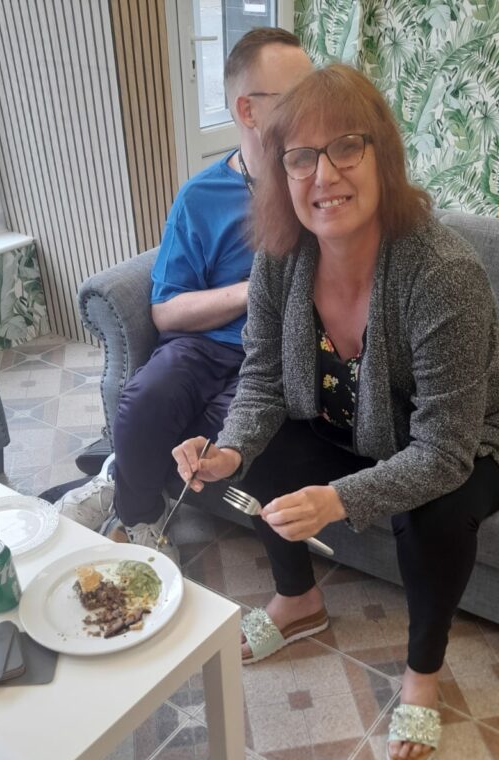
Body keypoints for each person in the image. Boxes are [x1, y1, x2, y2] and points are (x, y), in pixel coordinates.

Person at [172, 64, 499, 760]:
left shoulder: (441, 273)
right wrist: (226, 453)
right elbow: (260, 379)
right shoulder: (279, 260)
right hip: (361, 424)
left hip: (472, 434)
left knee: (435, 512)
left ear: (384, 157)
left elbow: (442, 451)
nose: (324, 175)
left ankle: (422, 677)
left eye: (347, 147)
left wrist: (339, 500)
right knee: (265, 459)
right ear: (281, 172)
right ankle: (298, 600)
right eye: (301, 157)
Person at [55, 29, 312, 557]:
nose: (313, 109)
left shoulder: (319, 184)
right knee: (145, 401)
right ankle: (140, 519)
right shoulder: (201, 196)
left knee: (217, 433)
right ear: (248, 109)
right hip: (202, 345)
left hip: (272, 358)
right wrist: (252, 291)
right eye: (296, 98)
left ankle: (117, 476)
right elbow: (166, 311)